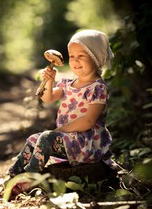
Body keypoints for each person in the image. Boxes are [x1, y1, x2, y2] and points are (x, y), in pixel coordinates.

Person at [8, 29, 114, 177]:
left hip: (87, 143)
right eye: (72, 56)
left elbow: (88, 121)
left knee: (46, 138)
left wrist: (59, 131)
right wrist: (50, 82)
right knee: (34, 139)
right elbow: (47, 98)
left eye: (81, 56)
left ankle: (31, 177)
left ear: (96, 57)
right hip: (69, 140)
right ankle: (13, 174)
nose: (75, 60)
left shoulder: (97, 88)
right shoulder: (68, 84)